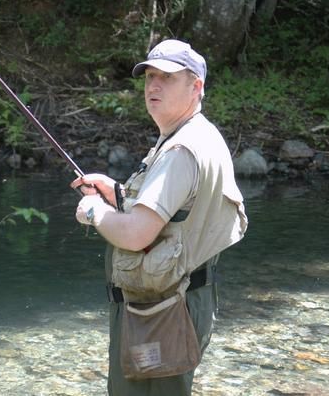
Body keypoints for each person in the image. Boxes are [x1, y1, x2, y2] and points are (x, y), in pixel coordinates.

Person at [71, 39, 248, 395]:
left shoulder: (181, 150)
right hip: (177, 303)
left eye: (167, 77)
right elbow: (175, 216)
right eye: (150, 75)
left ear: (195, 86)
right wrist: (119, 195)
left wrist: (95, 212)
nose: (153, 85)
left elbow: (137, 234)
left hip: (164, 311)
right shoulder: (196, 135)